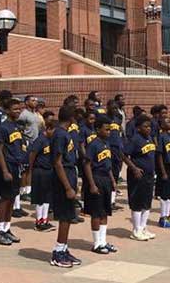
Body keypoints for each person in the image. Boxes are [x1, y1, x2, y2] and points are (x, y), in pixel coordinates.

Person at [50, 105, 84, 268]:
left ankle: (64, 248)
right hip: (62, 180)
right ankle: (57, 253)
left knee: (69, 216)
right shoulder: (59, 135)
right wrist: (67, 187)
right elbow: (57, 163)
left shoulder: (66, 134)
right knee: (64, 216)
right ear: (71, 118)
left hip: (70, 175)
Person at [84, 116, 118, 254]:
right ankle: (96, 243)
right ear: (98, 129)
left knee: (105, 212)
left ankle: (103, 241)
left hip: (106, 180)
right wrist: (91, 184)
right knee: (96, 213)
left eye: (110, 129)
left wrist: (112, 180)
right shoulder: (93, 144)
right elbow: (87, 164)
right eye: (106, 129)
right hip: (96, 178)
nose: (109, 132)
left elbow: (108, 165)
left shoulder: (106, 143)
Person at [0, 98, 26, 245]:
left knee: (12, 198)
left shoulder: (16, 126)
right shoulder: (4, 127)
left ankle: (7, 228)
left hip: (17, 167)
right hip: (7, 167)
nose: (18, 111)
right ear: (7, 111)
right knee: (5, 199)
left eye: (19, 108)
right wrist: (5, 170)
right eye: (15, 109)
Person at [125, 114, 157, 241]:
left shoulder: (149, 138)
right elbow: (124, 155)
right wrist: (134, 168)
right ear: (138, 128)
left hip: (149, 175)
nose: (148, 128)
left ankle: (143, 228)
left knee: (147, 203)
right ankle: (136, 230)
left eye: (149, 126)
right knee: (137, 203)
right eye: (145, 126)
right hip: (138, 176)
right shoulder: (135, 140)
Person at [29, 112, 56, 232]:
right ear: (48, 129)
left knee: (47, 197)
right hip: (39, 171)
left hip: (48, 171)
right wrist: (30, 169)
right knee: (40, 198)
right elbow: (32, 154)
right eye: (53, 131)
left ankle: (45, 220)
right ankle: (38, 221)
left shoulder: (50, 140)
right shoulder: (41, 140)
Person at [155, 116, 170, 229]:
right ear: (161, 125)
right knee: (164, 195)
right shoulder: (161, 137)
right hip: (165, 167)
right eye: (167, 121)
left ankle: (168, 217)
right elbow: (159, 155)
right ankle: (162, 218)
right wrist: (163, 172)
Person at [18, 95, 41, 203]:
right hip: (27, 143)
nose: (35, 102)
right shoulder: (23, 114)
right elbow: (20, 129)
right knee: (25, 168)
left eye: (36, 100)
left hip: (36, 143)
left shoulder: (36, 114)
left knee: (31, 167)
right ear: (26, 102)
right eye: (32, 100)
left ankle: (29, 189)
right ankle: (23, 191)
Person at [106, 98, 125, 206]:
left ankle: (112, 200)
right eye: (112, 108)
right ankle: (107, 198)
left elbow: (120, 131)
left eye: (116, 108)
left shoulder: (119, 117)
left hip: (117, 148)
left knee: (116, 172)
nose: (114, 110)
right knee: (108, 172)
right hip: (108, 148)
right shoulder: (104, 118)